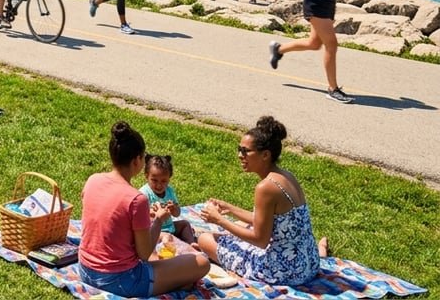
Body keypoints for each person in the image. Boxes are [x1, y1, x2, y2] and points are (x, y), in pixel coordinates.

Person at [79, 121, 209, 296]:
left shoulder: (93, 179)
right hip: (121, 281)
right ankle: (175, 283)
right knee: (202, 262)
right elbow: (145, 253)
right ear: (137, 161)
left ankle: (174, 282)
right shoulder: (136, 199)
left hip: (86, 271)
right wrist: (158, 221)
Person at [197, 116, 321, 286]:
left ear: (265, 155)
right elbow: (270, 222)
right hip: (308, 263)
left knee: (205, 238)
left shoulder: (265, 187)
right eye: (239, 149)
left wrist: (218, 220)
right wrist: (230, 209)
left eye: (245, 151)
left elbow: (260, 240)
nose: (240, 155)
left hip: (282, 271)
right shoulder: (286, 176)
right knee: (239, 228)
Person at [139, 153, 195, 244]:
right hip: (154, 232)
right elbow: (140, 219)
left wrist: (174, 209)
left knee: (185, 224)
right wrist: (152, 214)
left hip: (170, 227)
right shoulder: (143, 194)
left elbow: (177, 214)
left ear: (169, 178)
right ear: (146, 176)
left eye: (164, 181)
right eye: (154, 180)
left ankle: (192, 243)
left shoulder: (170, 191)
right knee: (167, 238)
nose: (159, 185)